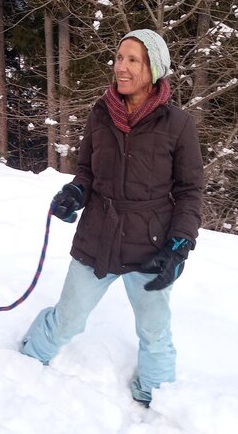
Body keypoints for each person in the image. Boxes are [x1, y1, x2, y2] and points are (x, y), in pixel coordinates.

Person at [20, 29, 204, 407]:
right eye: (120, 58)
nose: (122, 67)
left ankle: (156, 396)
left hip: (153, 245)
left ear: (154, 69)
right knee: (69, 318)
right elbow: (87, 171)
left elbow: (190, 190)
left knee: (154, 331)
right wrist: (75, 193)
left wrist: (180, 243)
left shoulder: (178, 125)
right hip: (98, 236)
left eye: (133, 60)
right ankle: (27, 358)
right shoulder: (101, 113)